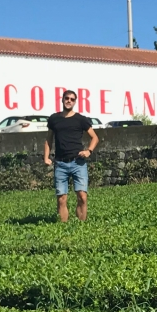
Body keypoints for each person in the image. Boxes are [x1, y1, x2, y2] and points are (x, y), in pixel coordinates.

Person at [44, 90, 99, 222]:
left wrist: (89, 151)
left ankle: (81, 227)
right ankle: (64, 228)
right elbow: (48, 139)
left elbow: (95, 138)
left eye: (72, 99)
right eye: (67, 98)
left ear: (75, 102)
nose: (69, 101)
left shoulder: (81, 119)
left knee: (82, 196)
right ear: (62, 99)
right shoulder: (54, 119)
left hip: (78, 163)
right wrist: (46, 157)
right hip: (60, 163)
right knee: (61, 199)